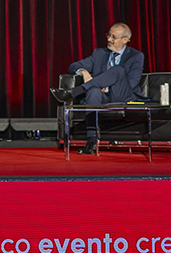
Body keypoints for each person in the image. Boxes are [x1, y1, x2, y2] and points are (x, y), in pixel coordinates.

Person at [53, 22, 145, 155]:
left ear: (125, 40)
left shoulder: (136, 56)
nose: (109, 39)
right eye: (109, 35)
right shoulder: (99, 53)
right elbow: (74, 66)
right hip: (103, 96)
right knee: (93, 91)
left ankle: (76, 91)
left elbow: (132, 82)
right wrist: (84, 72)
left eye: (114, 37)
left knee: (118, 70)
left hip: (124, 95)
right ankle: (92, 140)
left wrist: (104, 85)